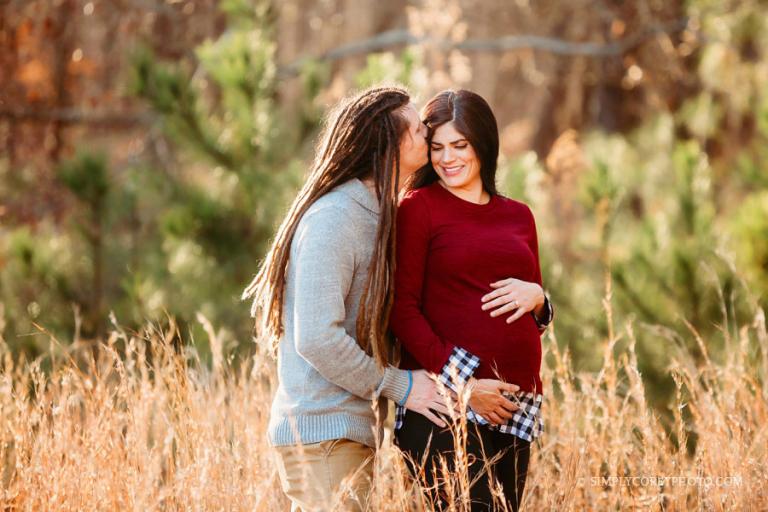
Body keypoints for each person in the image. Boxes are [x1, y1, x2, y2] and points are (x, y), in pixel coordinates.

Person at [242, 85, 456, 512]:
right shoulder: (334, 218)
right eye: (416, 129)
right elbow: (317, 337)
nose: (427, 136)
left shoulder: (378, 213)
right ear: (387, 144)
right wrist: (400, 385)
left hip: (343, 435)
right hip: (322, 434)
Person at [390, 89, 554, 512]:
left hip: (514, 408)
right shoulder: (418, 209)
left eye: (459, 146)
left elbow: (530, 308)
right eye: (438, 147)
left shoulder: (519, 215)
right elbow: (402, 311)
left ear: (483, 144)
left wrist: (540, 299)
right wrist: (464, 387)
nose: (447, 159)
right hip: (447, 410)